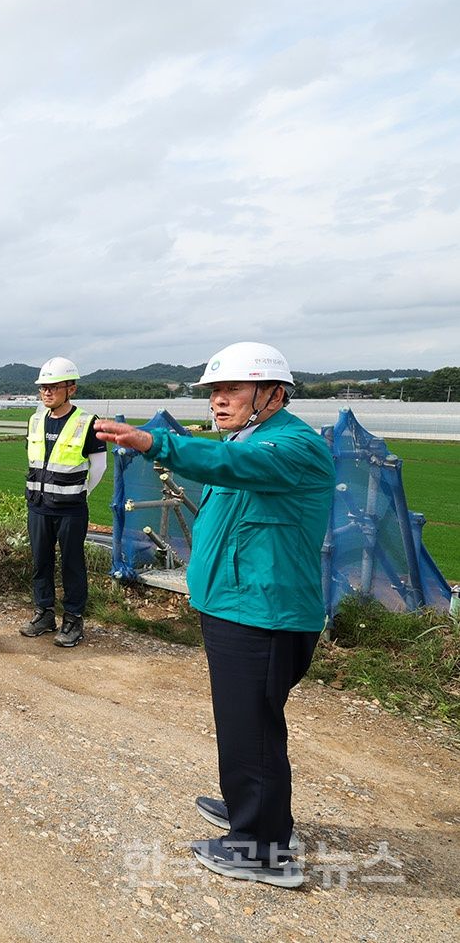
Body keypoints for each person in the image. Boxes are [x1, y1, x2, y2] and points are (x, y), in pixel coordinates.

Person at [95, 341, 333, 889]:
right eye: (213, 392)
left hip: (264, 612)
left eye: (231, 390)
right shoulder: (248, 436)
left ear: (273, 394)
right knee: (244, 720)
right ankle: (253, 811)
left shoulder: (291, 446)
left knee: (253, 725)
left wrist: (159, 443)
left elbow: (231, 464)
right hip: (234, 604)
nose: (218, 401)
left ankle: (262, 849)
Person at [22, 356, 107, 648]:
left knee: (72, 564)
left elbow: (99, 468)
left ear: (71, 388)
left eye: (53, 387)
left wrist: (79, 493)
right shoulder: (35, 420)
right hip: (38, 505)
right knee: (40, 562)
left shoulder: (87, 422)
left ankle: (73, 618)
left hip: (71, 508)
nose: (46, 392)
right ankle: (44, 613)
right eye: (43, 387)